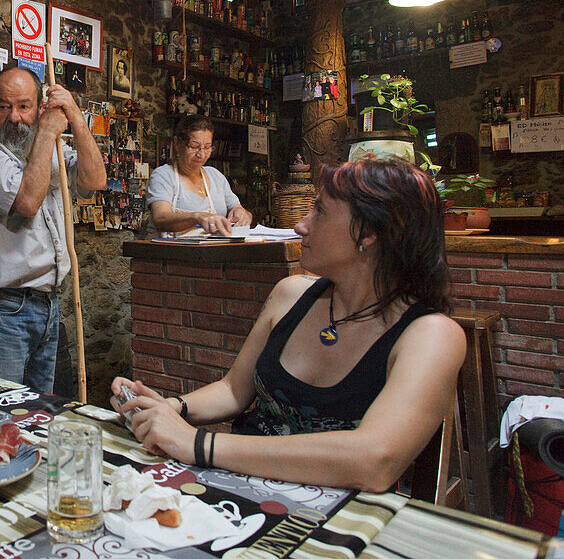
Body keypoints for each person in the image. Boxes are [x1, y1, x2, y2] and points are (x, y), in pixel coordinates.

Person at [113, 157, 466, 492]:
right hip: (238, 490)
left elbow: (374, 460)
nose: (301, 225)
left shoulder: (430, 335)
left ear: (368, 233)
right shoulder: (291, 294)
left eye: (321, 211)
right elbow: (235, 390)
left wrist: (198, 443)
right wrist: (172, 408)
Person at [0, 66, 106, 391]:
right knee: (0, 413)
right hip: (2, 308)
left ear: (39, 107)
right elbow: (26, 201)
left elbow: (94, 180)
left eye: (24, 106)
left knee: (37, 415)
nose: (14, 117)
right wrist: (47, 133)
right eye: (4, 106)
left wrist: (75, 117)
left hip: (47, 303)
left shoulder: (48, 147)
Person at [146, 115, 251, 237]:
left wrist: (242, 214)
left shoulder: (215, 176)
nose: (201, 154)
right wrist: (197, 217)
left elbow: (237, 208)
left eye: (207, 147)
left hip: (210, 251)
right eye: (194, 146)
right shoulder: (163, 176)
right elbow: (161, 218)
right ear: (177, 143)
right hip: (169, 252)